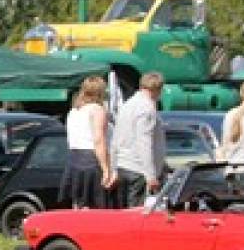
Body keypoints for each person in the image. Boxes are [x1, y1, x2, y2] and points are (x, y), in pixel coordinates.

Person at [111, 72, 166, 207]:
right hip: (138, 169)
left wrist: (113, 167)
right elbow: (144, 142)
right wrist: (150, 174)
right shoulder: (147, 108)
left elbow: (116, 138)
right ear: (157, 90)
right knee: (136, 215)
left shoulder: (127, 105)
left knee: (123, 213)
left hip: (123, 165)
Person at [63, 76, 116, 209]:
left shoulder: (74, 111)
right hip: (92, 160)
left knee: (79, 205)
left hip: (74, 159)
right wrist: (106, 169)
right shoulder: (97, 110)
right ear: (100, 92)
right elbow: (99, 140)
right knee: (96, 207)